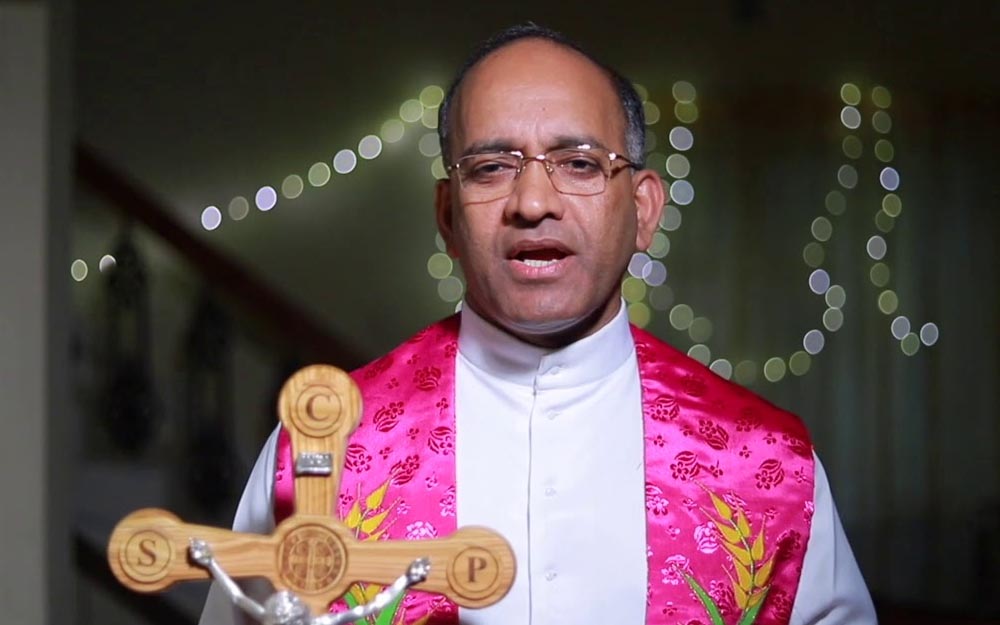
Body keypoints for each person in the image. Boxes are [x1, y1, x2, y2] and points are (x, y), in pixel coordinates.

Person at [200, 24, 876, 625]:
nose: (531, 202)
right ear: (447, 217)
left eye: (579, 163)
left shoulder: (766, 464)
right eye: (491, 167)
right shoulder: (323, 450)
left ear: (643, 211)